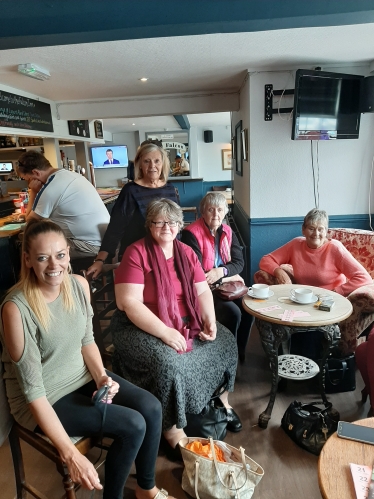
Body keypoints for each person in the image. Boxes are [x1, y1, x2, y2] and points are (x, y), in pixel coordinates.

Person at [0, 219, 175, 499]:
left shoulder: (78, 285)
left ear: (68, 253)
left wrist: (101, 376)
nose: (53, 265)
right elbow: (34, 393)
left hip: (78, 376)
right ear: (28, 260)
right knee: (133, 425)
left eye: (59, 255)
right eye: (42, 258)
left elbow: (86, 341)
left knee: (152, 408)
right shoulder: (16, 309)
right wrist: (71, 455)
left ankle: (146, 488)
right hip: (44, 397)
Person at [111, 199, 241, 455]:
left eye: (171, 221)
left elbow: (202, 290)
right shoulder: (136, 253)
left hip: (185, 320)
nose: (165, 226)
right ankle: (172, 429)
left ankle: (221, 403)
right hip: (140, 325)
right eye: (159, 221)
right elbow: (127, 302)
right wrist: (165, 332)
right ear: (150, 225)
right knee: (169, 364)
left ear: (180, 225)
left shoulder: (186, 252)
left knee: (224, 340)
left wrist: (210, 320)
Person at [259, 208, 372, 358]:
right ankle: (288, 363)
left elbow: (363, 277)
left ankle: (311, 368)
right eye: (311, 228)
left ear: (326, 231)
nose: (316, 234)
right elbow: (266, 260)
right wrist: (277, 271)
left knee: (310, 332)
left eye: (321, 229)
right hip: (303, 301)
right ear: (303, 229)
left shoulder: (335, 248)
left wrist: (336, 292)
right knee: (284, 323)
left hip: (327, 303)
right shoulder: (296, 245)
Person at [87, 143, 179, 278]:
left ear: (163, 163)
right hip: (138, 256)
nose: (152, 166)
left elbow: (176, 224)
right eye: (147, 161)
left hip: (168, 254)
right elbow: (115, 228)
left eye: (157, 161)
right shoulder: (130, 190)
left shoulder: (170, 189)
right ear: (139, 164)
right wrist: (100, 260)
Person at [181, 192, 252, 362]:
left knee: (249, 310)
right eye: (210, 210)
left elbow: (239, 263)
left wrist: (221, 273)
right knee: (233, 313)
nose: (215, 214)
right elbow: (198, 273)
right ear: (202, 212)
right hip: (204, 289)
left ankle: (238, 352)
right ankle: (226, 355)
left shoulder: (228, 231)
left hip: (223, 284)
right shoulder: (190, 233)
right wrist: (230, 276)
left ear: (226, 212)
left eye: (220, 210)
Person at [17, 151, 110, 259]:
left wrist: (33, 191)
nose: (29, 183)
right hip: (107, 241)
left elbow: (30, 223)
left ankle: (41, 275)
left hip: (90, 246)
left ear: (36, 173)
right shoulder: (71, 175)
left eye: (28, 179)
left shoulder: (50, 188)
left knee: (33, 246)